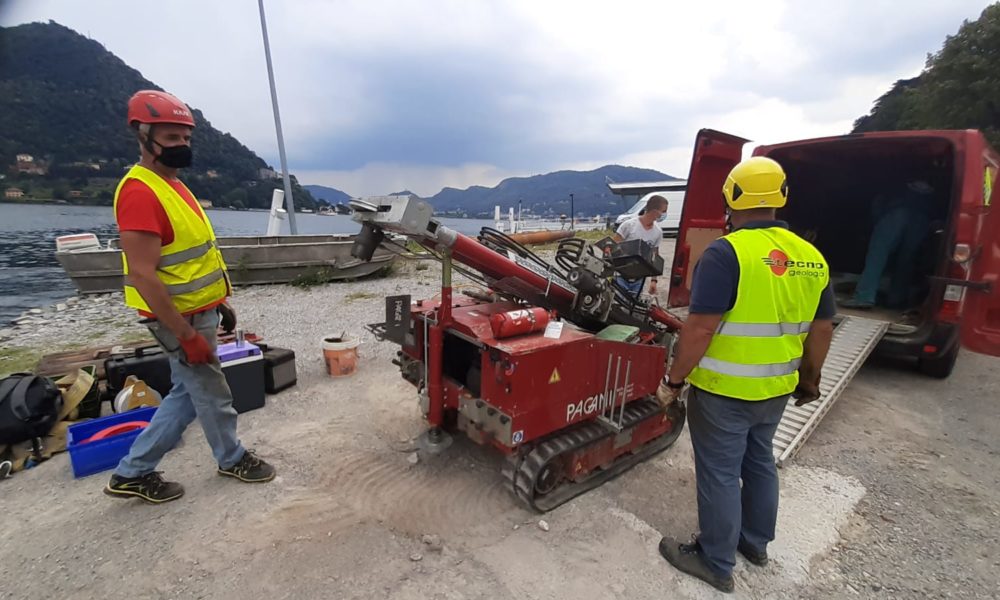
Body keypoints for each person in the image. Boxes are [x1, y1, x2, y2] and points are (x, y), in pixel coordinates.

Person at [656, 157, 836, 593]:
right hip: (775, 390)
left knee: (718, 472)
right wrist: (809, 380)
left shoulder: (726, 253)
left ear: (731, 198)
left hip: (723, 391)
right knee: (759, 463)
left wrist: (674, 381)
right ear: (781, 198)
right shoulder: (812, 258)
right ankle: (754, 544)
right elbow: (823, 328)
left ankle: (716, 561)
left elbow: (699, 329)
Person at [104, 90, 275, 504]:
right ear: (143, 135)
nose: (182, 146)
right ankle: (231, 458)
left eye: (186, 138)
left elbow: (193, 259)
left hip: (198, 312)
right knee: (212, 391)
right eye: (171, 138)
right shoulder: (141, 192)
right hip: (177, 319)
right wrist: (186, 335)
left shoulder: (173, 185)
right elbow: (144, 276)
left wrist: (219, 303)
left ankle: (132, 472)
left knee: (186, 393)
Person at [843, 178, 935, 309]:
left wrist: (876, 221)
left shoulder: (894, 177)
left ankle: (864, 297)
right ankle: (897, 299)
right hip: (922, 218)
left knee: (877, 255)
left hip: (896, 212)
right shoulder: (933, 187)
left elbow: (878, 204)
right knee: (908, 260)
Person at [612, 193, 667, 297]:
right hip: (620, 275)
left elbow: (655, 257)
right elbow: (613, 247)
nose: (664, 214)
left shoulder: (658, 232)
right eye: (663, 211)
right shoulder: (628, 225)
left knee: (634, 308)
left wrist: (654, 281)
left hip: (639, 279)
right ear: (655, 211)